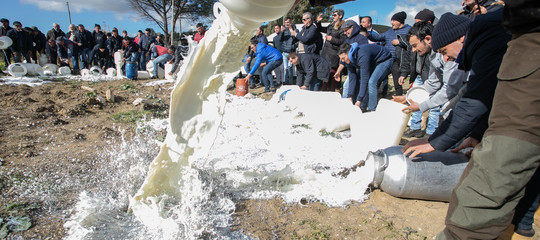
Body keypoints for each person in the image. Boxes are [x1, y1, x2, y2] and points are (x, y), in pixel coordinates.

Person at [425, 1, 539, 237]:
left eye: (445, 52)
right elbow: (493, 93)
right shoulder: (494, 35)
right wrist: (477, 134)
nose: (445, 60)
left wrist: (435, 141)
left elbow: (474, 98)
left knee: (496, 170)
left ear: (461, 39)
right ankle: (521, 222)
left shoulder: (490, 36)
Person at [395, 21, 467, 138]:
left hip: (465, 94)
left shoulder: (447, 53)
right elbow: (433, 82)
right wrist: (408, 96)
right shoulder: (433, 54)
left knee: (449, 114)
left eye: (414, 45)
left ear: (427, 39)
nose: (413, 50)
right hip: (456, 93)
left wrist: (421, 106)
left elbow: (450, 88)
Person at [337, 42, 393, 111]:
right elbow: (352, 78)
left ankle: (372, 110)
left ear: (349, 53)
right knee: (358, 80)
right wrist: (350, 96)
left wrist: (359, 100)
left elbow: (364, 79)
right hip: (373, 62)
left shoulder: (362, 55)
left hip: (385, 59)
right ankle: (362, 108)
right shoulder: (348, 60)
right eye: (341, 59)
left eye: (343, 58)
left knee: (372, 82)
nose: (343, 61)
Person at [368, 11, 411, 97]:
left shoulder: (409, 30)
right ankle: (379, 96)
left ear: (400, 21)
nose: (391, 22)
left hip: (398, 61)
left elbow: (412, 43)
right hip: (387, 59)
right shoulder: (389, 31)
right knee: (378, 79)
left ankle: (399, 98)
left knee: (397, 82)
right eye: (391, 20)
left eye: (394, 20)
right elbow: (378, 37)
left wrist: (400, 42)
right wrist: (367, 34)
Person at [334, 20, 369, 98]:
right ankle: (348, 102)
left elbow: (364, 55)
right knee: (347, 86)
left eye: (346, 30)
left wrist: (358, 68)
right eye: (344, 31)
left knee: (356, 86)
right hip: (351, 68)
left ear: (352, 27)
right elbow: (343, 58)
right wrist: (338, 71)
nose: (345, 33)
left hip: (360, 68)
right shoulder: (347, 40)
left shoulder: (361, 39)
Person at [315, 9, 346, 92]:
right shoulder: (331, 25)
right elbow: (320, 29)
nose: (333, 17)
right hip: (325, 53)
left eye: (335, 15)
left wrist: (332, 39)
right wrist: (318, 22)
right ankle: (324, 91)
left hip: (333, 54)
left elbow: (343, 41)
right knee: (324, 74)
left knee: (332, 75)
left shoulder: (343, 27)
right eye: (332, 15)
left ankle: (332, 92)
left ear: (340, 16)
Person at [279, 17, 297, 85]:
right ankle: (284, 82)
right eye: (285, 23)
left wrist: (290, 29)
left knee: (290, 68)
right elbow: (280, 39)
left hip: (291, 52)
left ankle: (290, 82)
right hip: (285, 52)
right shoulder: (283, 30)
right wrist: (281, 32)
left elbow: (295, 38)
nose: (286, 24)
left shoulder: (294, 29)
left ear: (291, 22)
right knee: (285, 68)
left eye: (288, 22)